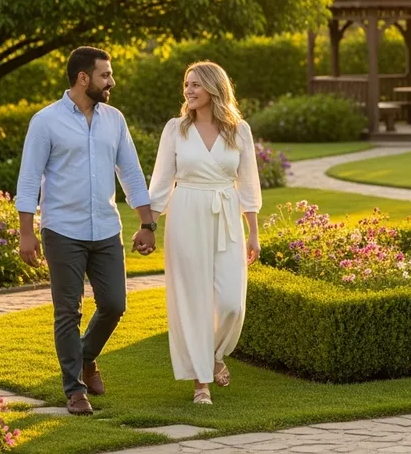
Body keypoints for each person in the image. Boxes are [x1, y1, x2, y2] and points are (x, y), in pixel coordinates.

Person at [15, 46, 157, 416]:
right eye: (105, 75)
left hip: (106, 229)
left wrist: (147, 223)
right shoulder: (45, 121)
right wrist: (26, 232)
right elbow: (29, 179)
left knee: (114, 304)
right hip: (62, 230)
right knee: (68, 311)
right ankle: (75, 390)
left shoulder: (114, 120)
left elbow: (131, 173)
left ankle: (86, 356)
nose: (112, 82)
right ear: (83, 78)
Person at [148, 61, 262, 405]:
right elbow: (161, 183)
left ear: (214, 88)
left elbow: (249, 185)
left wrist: (253, 233)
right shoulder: (176, 129)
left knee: (231, 304)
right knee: (193, 300)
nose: (189, 90)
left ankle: (214, 354)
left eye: (196, 84)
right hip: (186, 213)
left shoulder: (238, 130)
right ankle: (201, 383)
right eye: (187, 84)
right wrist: (147, 226)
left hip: (226, 214)